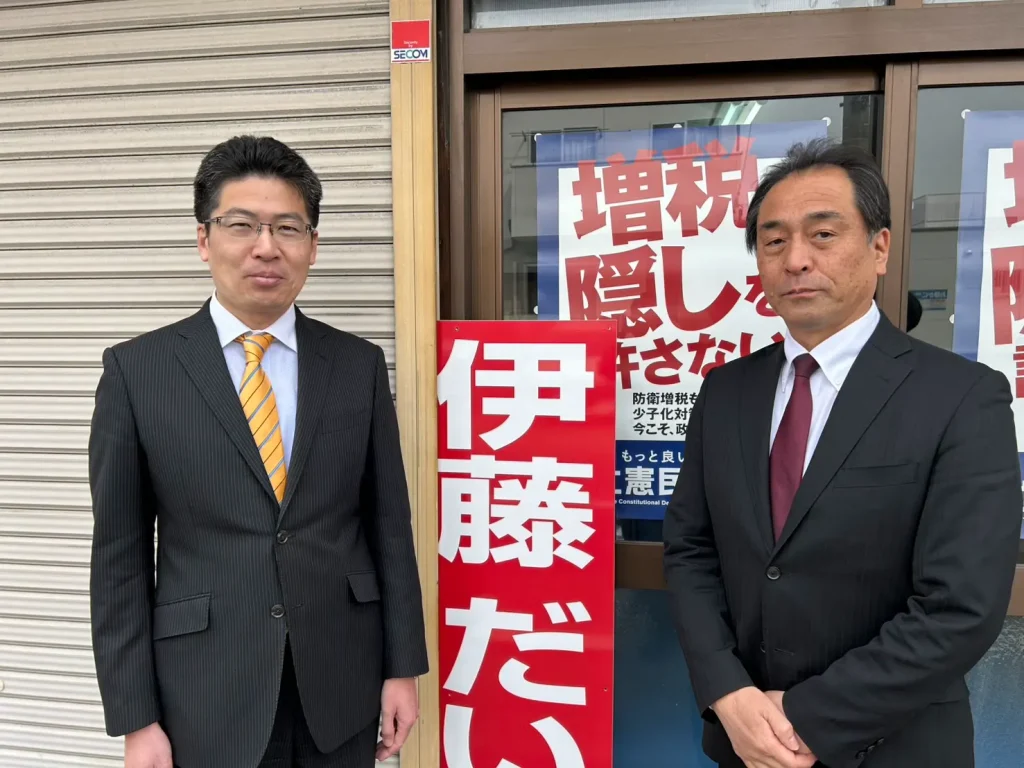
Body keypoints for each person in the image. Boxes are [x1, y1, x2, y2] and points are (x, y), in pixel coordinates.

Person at [663, 138, 1021, 768]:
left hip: (896, 747)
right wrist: (726, 692)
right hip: (744, 742)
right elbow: (691, 549)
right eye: (774, 241)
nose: (796, 259)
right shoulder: (726, 391)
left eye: (823, 234)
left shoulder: (962, 396)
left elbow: (960, 606)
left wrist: (807, 717)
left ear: (880, 248)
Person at [88, 135, 428, 768]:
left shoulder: (356, 365)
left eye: (288, 228)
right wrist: (136, 719)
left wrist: (402, 668)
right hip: (206, 693)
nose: (266, 246)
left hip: (342, 682)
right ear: (203, 238)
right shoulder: (138, 372)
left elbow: (388, 525)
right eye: (241, 224)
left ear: (312, 246)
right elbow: (119, 559)